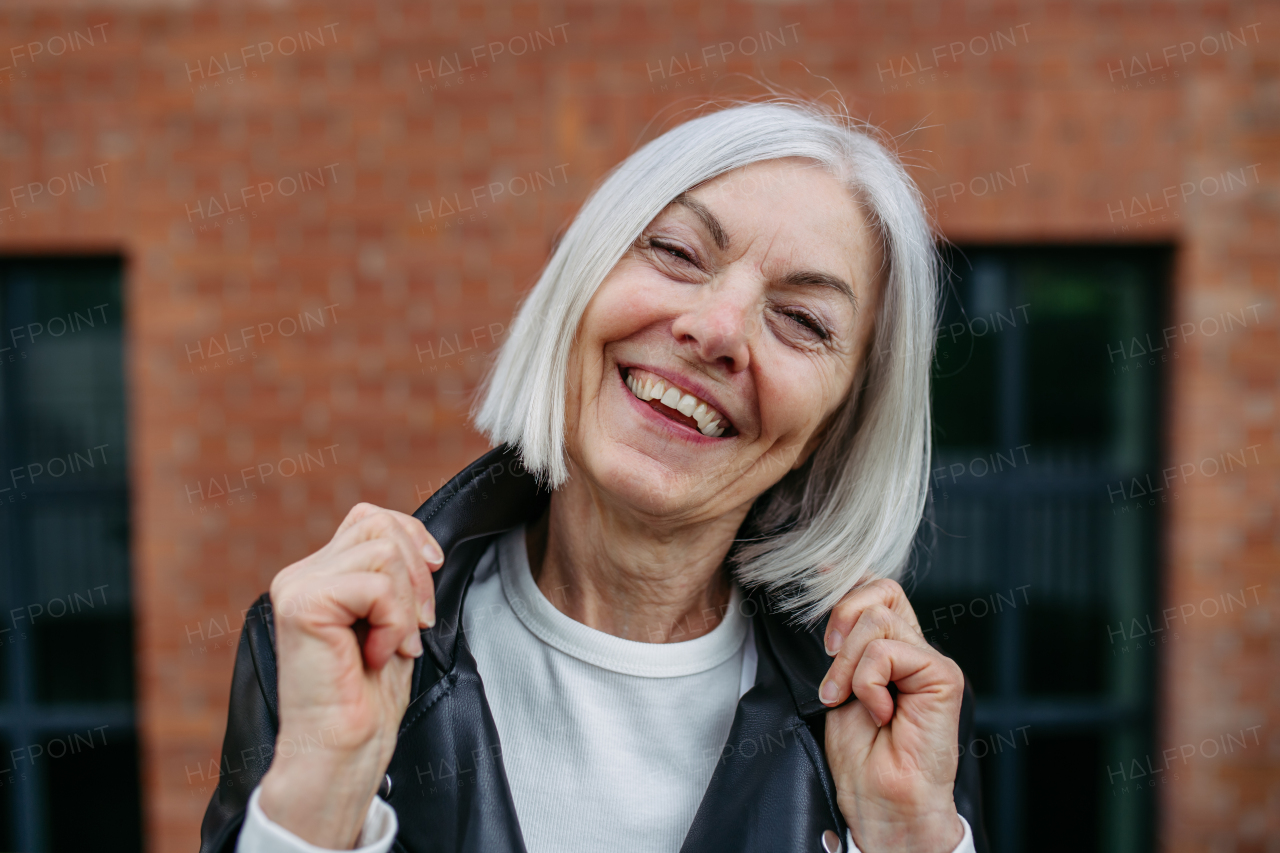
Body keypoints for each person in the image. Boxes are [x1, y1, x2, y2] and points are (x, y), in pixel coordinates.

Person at [201, 100, 988, 853]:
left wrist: (907, 837)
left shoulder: (879, 725)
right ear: (581, 280)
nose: (716, 330)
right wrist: (320, 801)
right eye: (678, 253)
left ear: (841, 424)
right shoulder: (332, 647)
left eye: (804, 321)